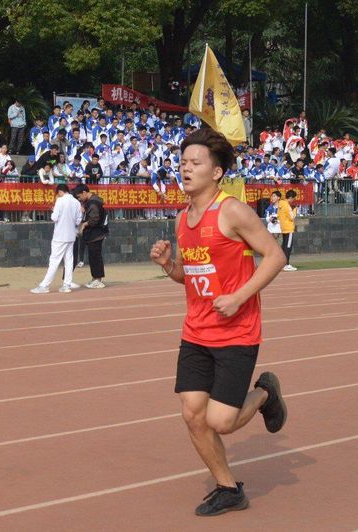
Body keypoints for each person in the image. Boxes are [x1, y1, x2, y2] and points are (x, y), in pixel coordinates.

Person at [149, 128, 287, 517]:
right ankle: (228, 488)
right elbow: (190, 275)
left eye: (195, 162)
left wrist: (240, 296)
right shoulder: (182, 218)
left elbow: (275, 256)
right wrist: (168, 265)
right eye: (182, 162)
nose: (186, 168)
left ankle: (265, 394)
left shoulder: (233, 211)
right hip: (196, 330)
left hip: (236, 331)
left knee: (221, 421)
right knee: (193, 414)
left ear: (216, 172)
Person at [30, 184, 84, 294]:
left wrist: (54, 210)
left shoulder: (60, 201)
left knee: (54, 260)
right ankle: (66, 285)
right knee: (69, 260)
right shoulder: (76, 202)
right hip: (71, 235)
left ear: (60, 191)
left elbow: (54, 218)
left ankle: (44, 285)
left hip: (60, 236)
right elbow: (78, 220)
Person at [75, 184, 108, 288]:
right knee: (92, 257)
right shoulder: (91, 202)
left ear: (84, 192)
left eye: (79, 196)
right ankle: (95, 278)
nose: (79, 199)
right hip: (94, 234)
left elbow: (94, 219)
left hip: (96, 234)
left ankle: (98, 279)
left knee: (95, 257)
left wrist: (85, 224)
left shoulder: (93, 203)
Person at [277, 189, 298, 271]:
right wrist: (295, 210)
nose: (293, 200)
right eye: (293, 198)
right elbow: (292, 217)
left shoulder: (280, 204)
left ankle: (282, 264)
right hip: (289, 228)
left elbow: (278, 216)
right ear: (291, 197)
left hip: (283, 227)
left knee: (284, 246)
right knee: (288, 247)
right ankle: (286, 264)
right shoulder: (287, 205)